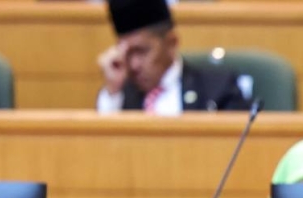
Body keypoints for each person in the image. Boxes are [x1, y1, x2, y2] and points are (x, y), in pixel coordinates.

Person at [97, 0, 250, 114]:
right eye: (128, 53)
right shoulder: (120, 96)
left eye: (142, 51)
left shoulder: (218, 90)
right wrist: (113, 92)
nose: (134, 64)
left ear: (171, 43)